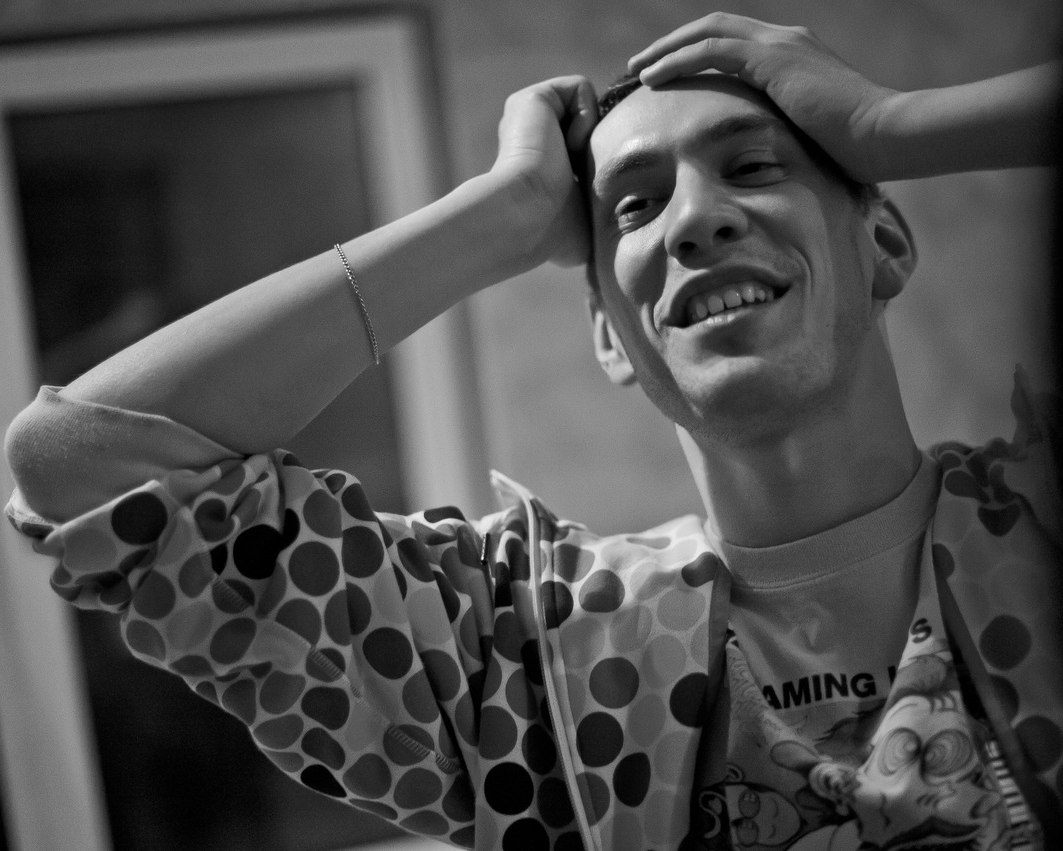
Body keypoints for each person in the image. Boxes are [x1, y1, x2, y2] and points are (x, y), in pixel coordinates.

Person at [4, 12, 1061, 850]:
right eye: (633, 207)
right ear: (610, 334)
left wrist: (893, 126)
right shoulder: (519, 657)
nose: (694, 218)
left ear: (884, 245)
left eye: (751, 167)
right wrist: (500, 213)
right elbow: (80, 463)